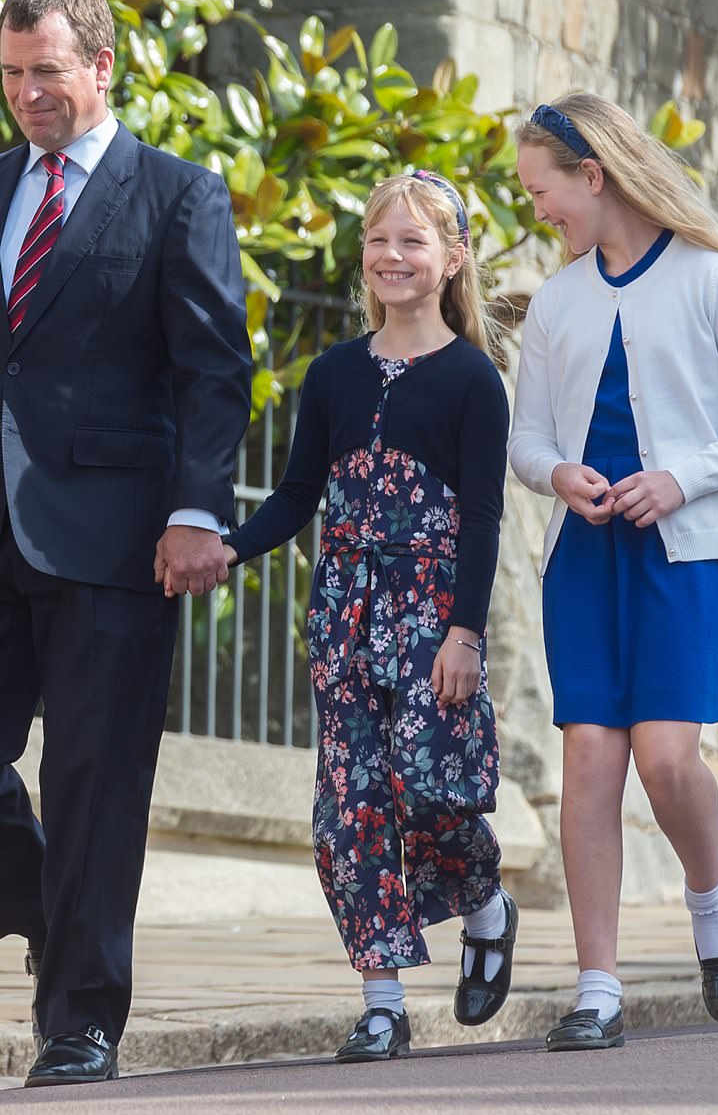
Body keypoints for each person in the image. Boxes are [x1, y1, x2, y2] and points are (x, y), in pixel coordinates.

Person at [0, 0, 251, 1087]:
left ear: (100, 66)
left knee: (96, 776)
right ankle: (52, 912)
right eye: (10, 73)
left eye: (45, 70)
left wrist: (198, 510)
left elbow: (212, 370)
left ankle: (79, 1017)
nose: (26, 93)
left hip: (120, 533)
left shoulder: (180, 194)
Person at [509, 93, 718, 1051]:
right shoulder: (557, 300)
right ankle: (598, 983)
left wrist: (680, 479)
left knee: (668, 757)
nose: (538, 210)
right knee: (591, 755)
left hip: (690, 548)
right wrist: (559, 473)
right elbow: (529, 436)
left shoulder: (713, 279)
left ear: (593, 176)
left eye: (544, 191)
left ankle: (713, 902)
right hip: (589, 556)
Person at [221, 172, 516, 1062]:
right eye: (379, 241)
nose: (393, 256)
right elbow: (296, 495)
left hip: (431, 620)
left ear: (452, 258)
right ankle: (381, 1001)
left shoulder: (473, 380)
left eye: (414, 241)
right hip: (344, 617)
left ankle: (487, 906)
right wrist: (226, 548)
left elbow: (482, 517)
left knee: (433, 788)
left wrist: (465, 631)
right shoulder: (333, 374)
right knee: (347, 810)